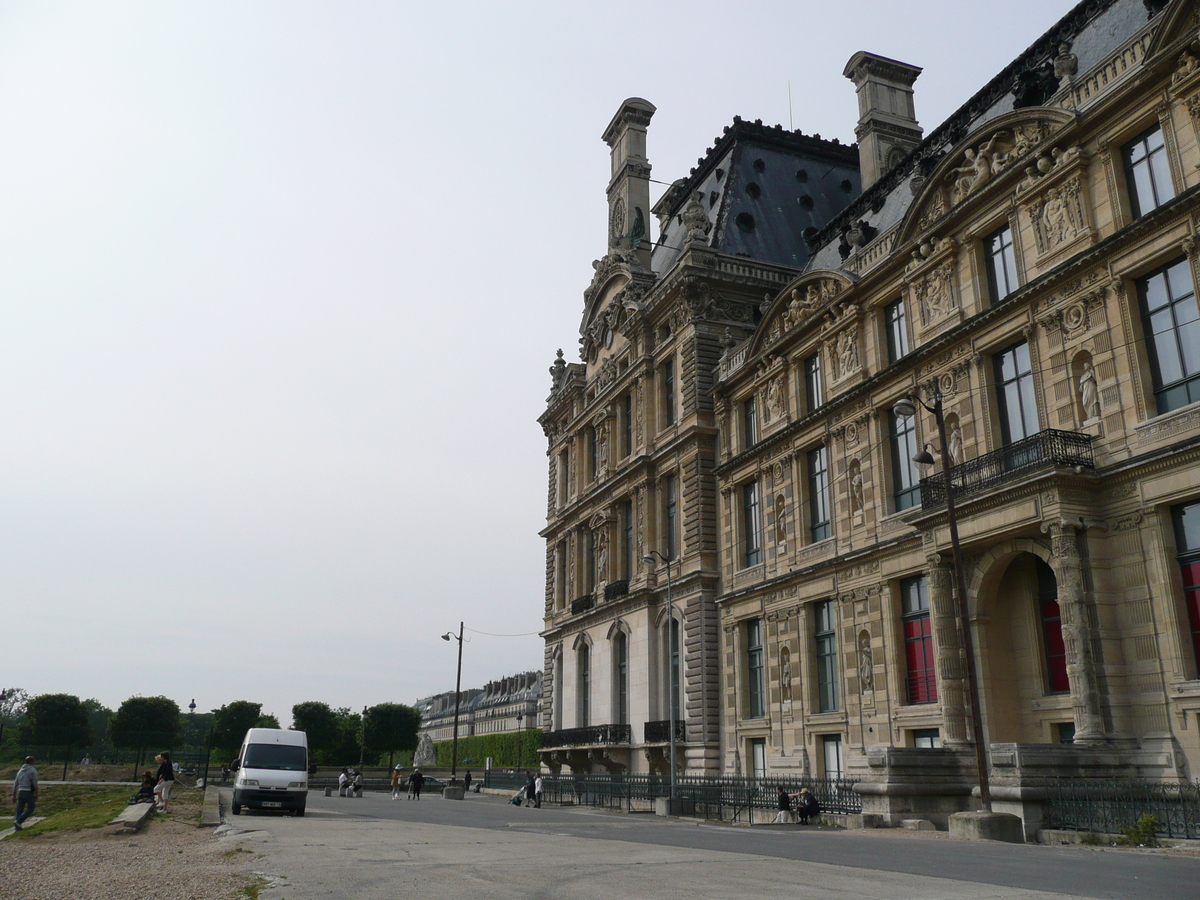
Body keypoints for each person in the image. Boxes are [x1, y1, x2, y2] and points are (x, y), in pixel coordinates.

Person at [11, 756, 38, 830]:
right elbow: (35, 783)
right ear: (31, 762)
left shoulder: (20, 771)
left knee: (19, 809)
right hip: (28, 791)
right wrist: (36, 794)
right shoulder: (33, 770)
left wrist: (14, 795)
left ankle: (17, 828)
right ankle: (19, 821)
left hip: (20, 791)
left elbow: (15, 784)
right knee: (31, 807)